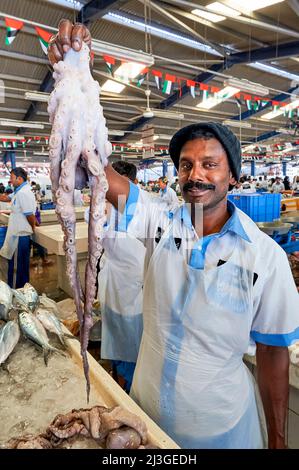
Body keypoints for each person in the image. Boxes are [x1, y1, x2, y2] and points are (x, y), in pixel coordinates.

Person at [49, 22, 299, 449]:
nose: (195, 174)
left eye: (210, 164)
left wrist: (278, 438)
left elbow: (273, 354)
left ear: (233, 177)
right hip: (146, 418)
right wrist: (74, 77)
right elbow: (94, 170)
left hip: (219, 429)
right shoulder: (158, 221)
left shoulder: (265, 258)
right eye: (185, 165)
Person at [97, 160, 146, 393]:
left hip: (132, 294)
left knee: (131, 347)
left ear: (132, 184)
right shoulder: (104, 207)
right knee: (116, 342)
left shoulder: (144, 214)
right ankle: (120, 380)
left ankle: (129, 391)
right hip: (112, 289)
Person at [0, 168, 36, 288]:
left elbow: (29, 215)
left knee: (17, 269)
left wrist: (33, 227)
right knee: (20, 268)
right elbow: (5, 198)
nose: (10, 181)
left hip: (19, 238)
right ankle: (23, 293)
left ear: (19, 179)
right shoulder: (18, 191)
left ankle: (16, 295)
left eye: (11, 178)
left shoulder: (23, 193)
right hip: (18, 236)